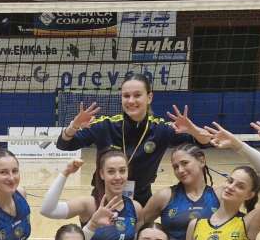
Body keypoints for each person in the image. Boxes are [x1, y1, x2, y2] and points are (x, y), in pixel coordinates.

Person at [55, 75, 209, 205]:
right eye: (126, 96)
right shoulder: (106, 126)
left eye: (137, 95)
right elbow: (64, 144)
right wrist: (74, 126)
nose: (131, 100)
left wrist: (192, 129)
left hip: (141, 200)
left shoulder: (161, 130)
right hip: (104, 199)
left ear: (149, 97)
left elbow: (205, 142)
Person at [40, 152, 140, 240]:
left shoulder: (136, 208)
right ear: (102, 174)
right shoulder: (88, 205)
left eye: (122, 171)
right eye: (111, 171)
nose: (118, 177)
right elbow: (48, 210)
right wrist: (66, 172)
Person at [141, 144, 219, 240]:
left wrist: (237, 146)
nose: (180, 170)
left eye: (184, 163)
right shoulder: (165, 196)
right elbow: (138, 226)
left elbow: (257, 176)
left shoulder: (219, 196)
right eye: (175, 167)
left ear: (201, 160)